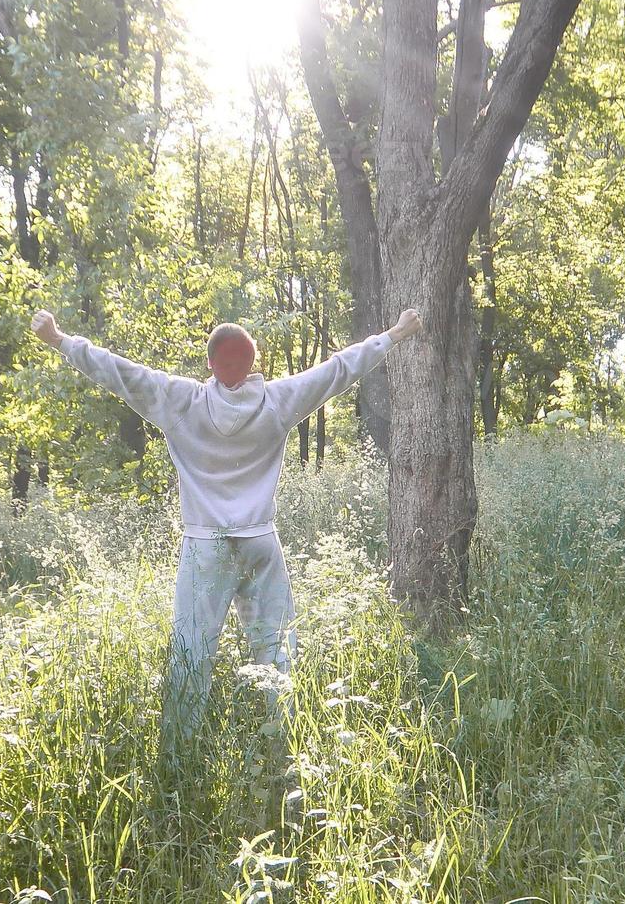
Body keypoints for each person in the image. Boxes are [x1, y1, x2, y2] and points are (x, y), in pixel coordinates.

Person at [29, 307, 423, 777]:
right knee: (277, 649)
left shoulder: (181, 401)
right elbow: (337, 370)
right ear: (253, 362)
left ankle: (179, 758)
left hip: (205, 546)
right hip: (260, 542)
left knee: (193, 649)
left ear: (211, 363)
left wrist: (59, 339)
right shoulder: (276, 401)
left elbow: (119, 372)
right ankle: (288, 749)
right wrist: (393, 335)